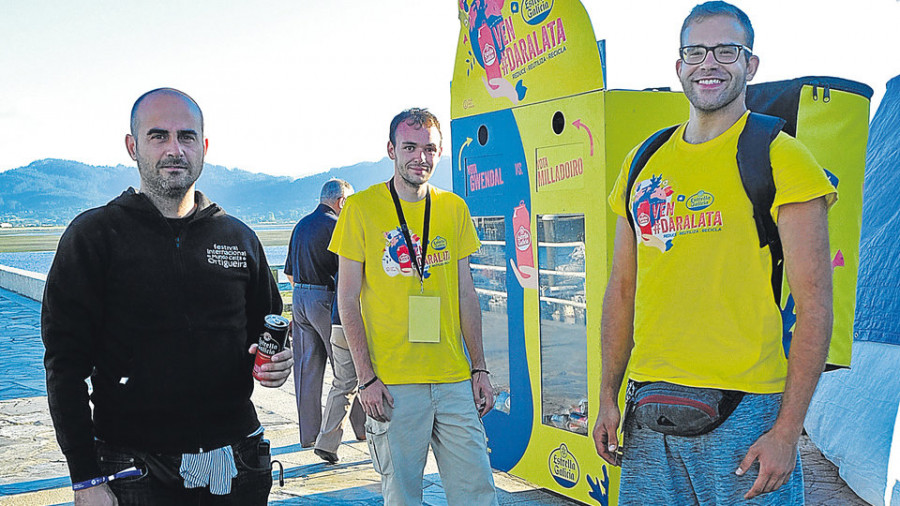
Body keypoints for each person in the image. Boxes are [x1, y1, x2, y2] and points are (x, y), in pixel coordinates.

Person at [592, 3, 837, 504]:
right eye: (696, 51)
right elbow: (621, 292)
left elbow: (815, 308)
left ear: (751, 65)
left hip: (747, 415)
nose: (710, 62)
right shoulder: (642, 162)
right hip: (649, 410)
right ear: (679, 66)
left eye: (728, 50)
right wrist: (607, 399)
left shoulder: (780, 156)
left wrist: (787, 432)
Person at [42, 88, 293, 505]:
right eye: (158, 136)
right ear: (132, 146)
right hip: (132, 467)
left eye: (186, 136)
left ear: (204, 147)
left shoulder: (237, 237)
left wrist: (275, 365)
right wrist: (85, 478)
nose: (174, 149)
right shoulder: (94, 237)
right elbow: (64, 367)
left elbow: (265, 330)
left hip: (235, 460)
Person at [330, 108, 499, 505]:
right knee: (403, 495)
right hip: (392, 383)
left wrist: (480, 368)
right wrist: (366, 378)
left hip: (454, 377)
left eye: (429, 149)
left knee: (478, 492)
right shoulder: (360, 209)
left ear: (439, 153)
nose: (419, 157)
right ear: (391, 149)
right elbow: (347, 300)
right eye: (409, 147)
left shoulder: (453, 208)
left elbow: (466, 295)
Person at [282, 179, 364, 458]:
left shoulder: (300, 225)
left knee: (306, 371)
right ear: (341, 201)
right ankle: (361, 429)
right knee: (347, 368)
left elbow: (289, 273)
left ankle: (309, 436)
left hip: (299, 299)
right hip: (326, 300)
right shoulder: (337, 226)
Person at [311, 275, 367, 464]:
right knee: (376, 383)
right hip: (364, 325)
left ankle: (327, 442)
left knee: (342, 385)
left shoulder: (345, 259)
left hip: (338, 323)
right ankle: (380, 448)